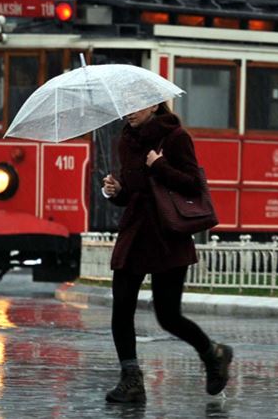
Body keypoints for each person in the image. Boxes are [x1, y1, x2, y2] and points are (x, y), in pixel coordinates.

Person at [102, 102, 232, 403]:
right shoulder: (126, 139)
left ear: (155, 105)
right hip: (135, 232)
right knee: (121, 307)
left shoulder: (176, 137)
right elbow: (133, 191)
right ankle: (131, 380)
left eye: (135, 106)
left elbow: (192, 186)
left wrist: (159, 166)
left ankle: (214, 354)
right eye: (125, 106)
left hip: (167, 235)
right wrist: (116, 191)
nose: (128, 112)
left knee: (168, 315)